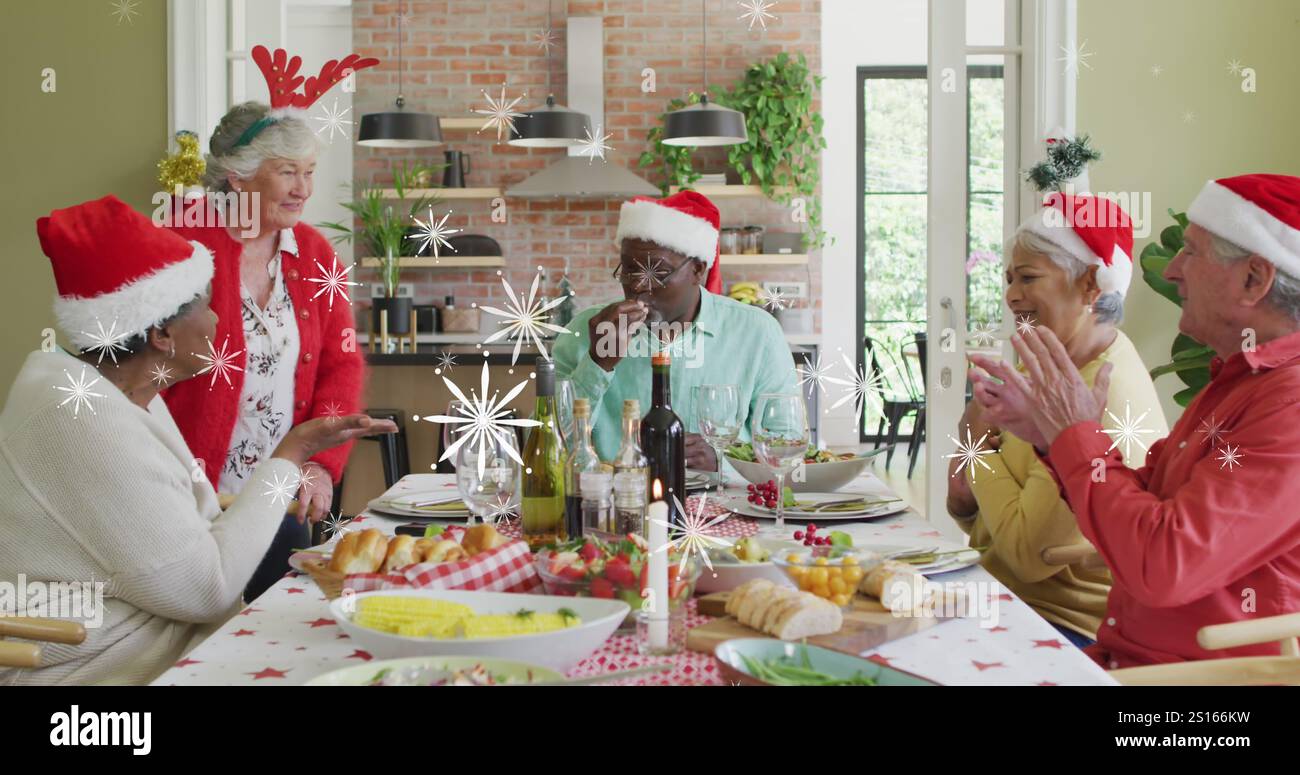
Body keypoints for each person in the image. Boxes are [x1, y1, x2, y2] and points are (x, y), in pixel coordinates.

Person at [0, 196, 395, 685]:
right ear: (162, 333)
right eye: (207, 304)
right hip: (104, 671)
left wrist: (293, 460)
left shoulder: (129, 391)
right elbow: (207, 588)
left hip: (164, 641)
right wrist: (293, 452)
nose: (218, 320)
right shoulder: (84, 421)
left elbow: (197, 527)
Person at [970, 173, 1300, 668]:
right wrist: (1051, 439)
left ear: (1254, 279)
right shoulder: (1237, 381)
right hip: (1124, 663)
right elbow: (1144, 502)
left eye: (1190, 251)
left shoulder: (1289, 406)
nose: (1171, 271)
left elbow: (1163, 563)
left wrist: (1072, 436)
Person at [163, 46, 379, 597]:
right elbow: (142, 365)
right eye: (288, 173)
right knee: (201, 625)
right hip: (185, 494)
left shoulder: (313, 253)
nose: (304, 188)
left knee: (279, 620)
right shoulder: (183, 246)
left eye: (309, 172)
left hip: (281, 491)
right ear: (238, 179)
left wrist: (322, 464)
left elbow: (341, 365)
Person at [946, 193, 1167, 649]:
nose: (1010, 296)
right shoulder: (1047, 363)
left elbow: (1026, 553)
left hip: (1063, 628)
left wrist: (980, 450)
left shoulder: (1103, 395)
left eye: (1028, 278)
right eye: (1008, 278)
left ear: (1091, 285)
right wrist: (976, 455)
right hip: (997, 595)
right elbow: (972, 516)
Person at [553, 191, 799, 465]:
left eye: (657, 272)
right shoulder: (582, 332)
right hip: (614, 500)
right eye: (630, 269)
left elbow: (789, 444)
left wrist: (723, 462)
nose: (638, 285)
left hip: (724, 501)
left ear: (697, 270)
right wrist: (597, 364)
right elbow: (552, 445)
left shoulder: (757, 332)